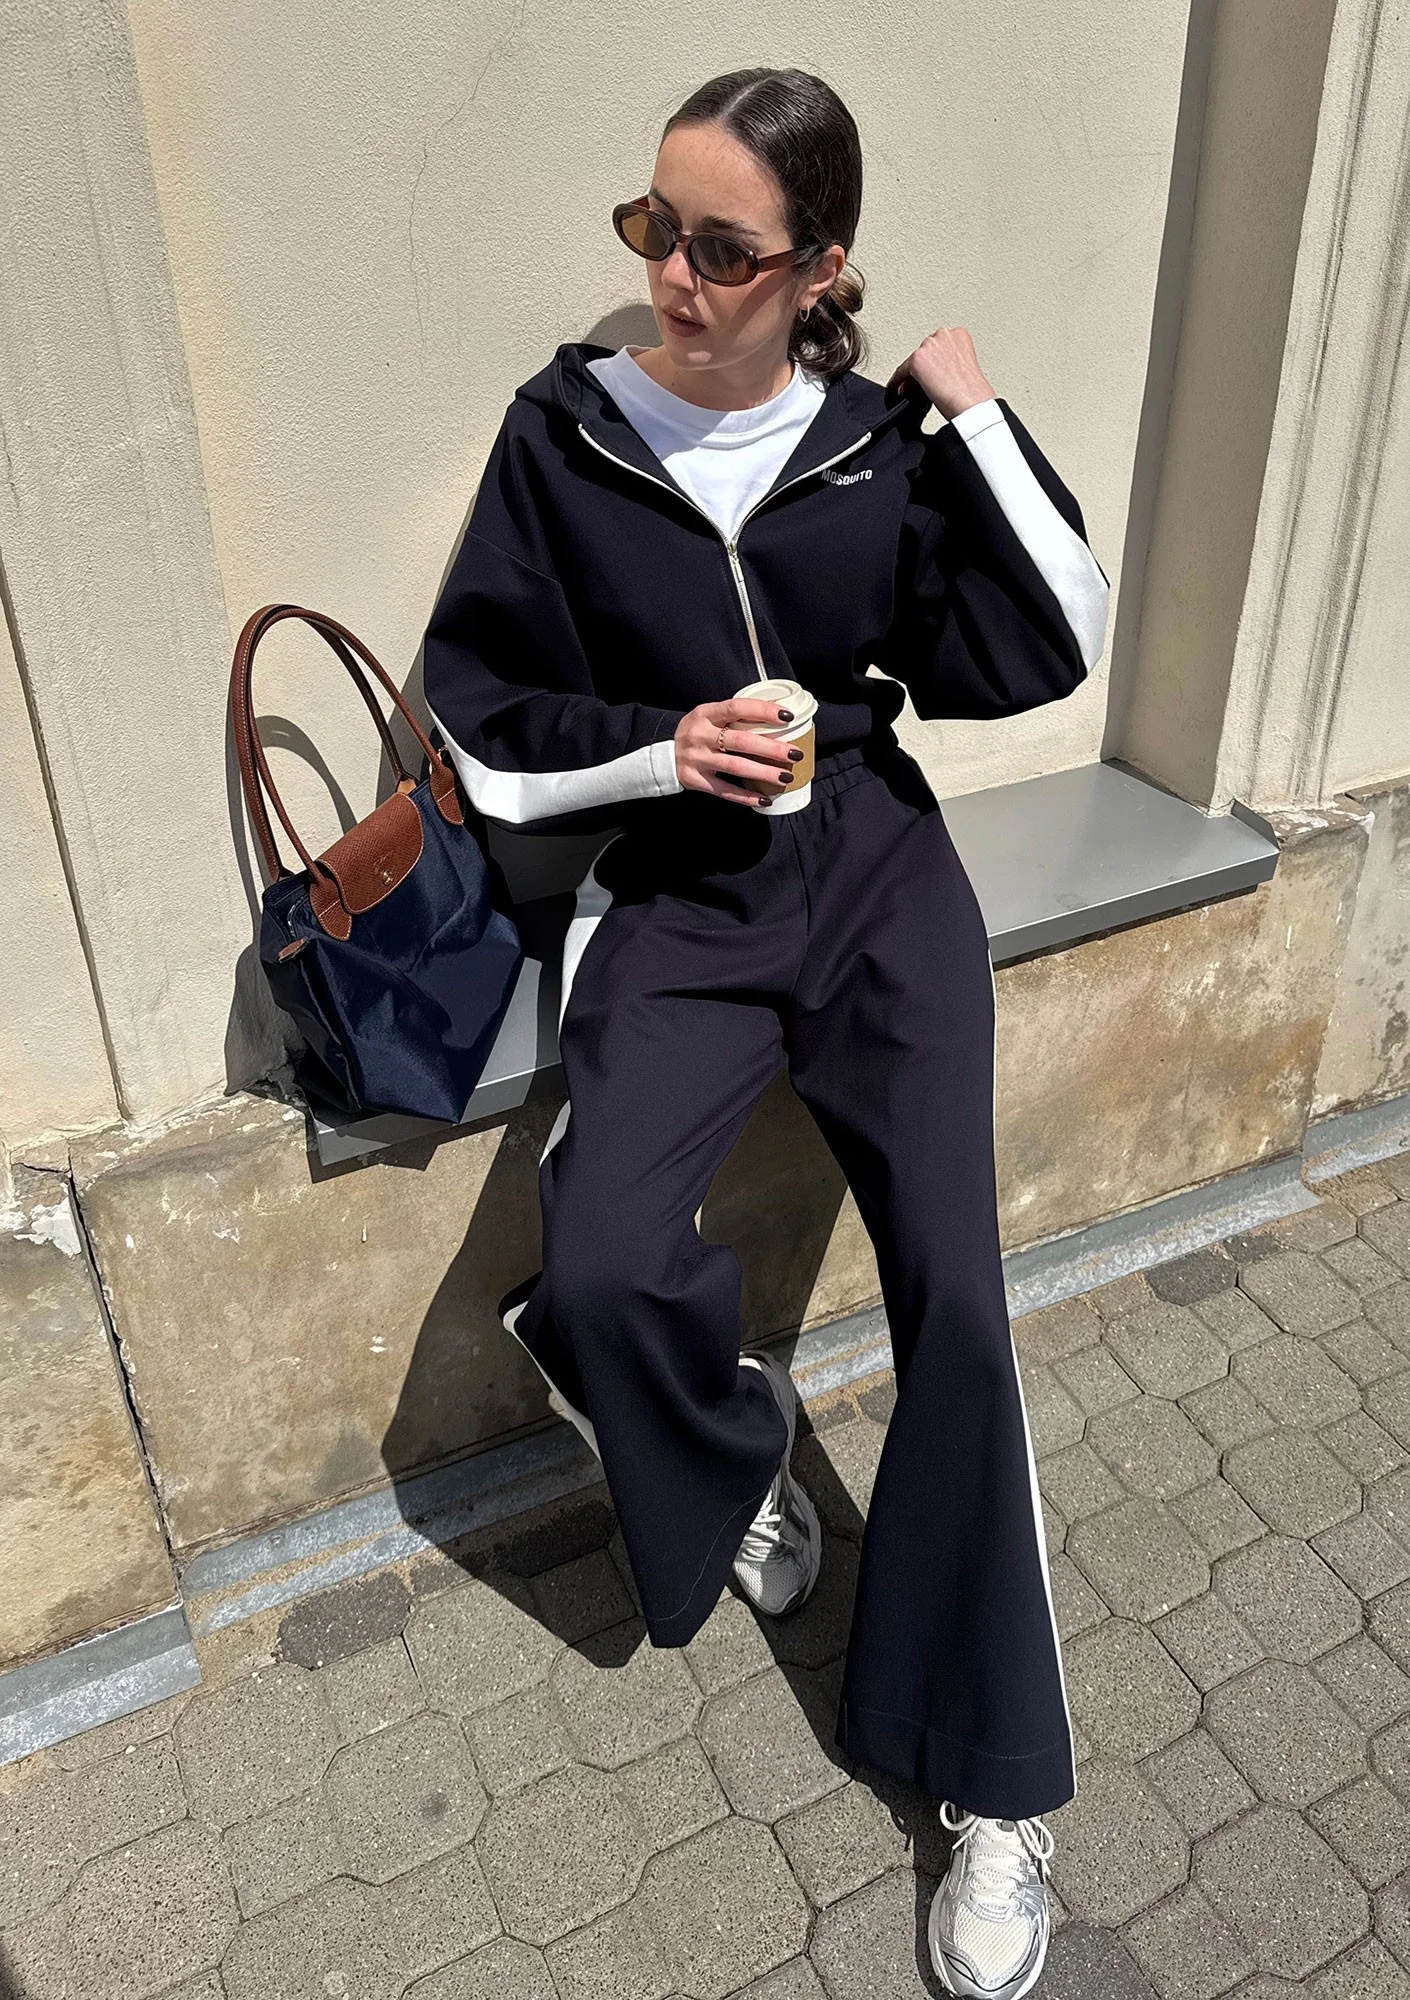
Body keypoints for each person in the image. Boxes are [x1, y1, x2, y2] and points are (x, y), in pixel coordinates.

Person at [422, 65, 1109, 2000]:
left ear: (818, 269)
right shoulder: (565, 432)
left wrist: (978, 418)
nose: (674, 275)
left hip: (874, 872)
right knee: (600, 1259)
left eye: (723, 249)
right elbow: (478, 709)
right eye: (653, 227)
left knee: (959, 1299)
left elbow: (1048, 635)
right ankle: (735, 1465)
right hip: (678, 889)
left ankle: (992, 1784)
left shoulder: (874, 446)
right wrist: (663, 749)